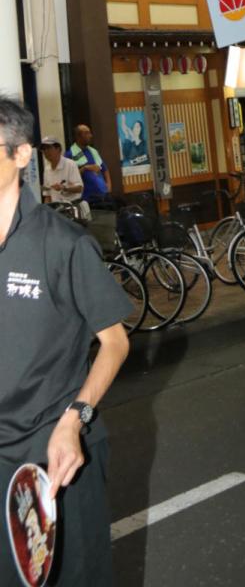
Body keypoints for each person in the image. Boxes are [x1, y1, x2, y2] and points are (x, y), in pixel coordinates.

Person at [0, 97, 130, 586]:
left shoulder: (62, 244)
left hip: (55, 457)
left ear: (21, 155)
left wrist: (76, 419)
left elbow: (114, 343)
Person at [66, 125, 111, 203]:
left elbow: (105, 170)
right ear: (78, 136)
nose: (90, 136)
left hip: (103, 196)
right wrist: (85, 168)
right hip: (86, 199)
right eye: (86, 133)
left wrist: (109, 186)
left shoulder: (93, 151)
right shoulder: (70, 154)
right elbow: (69, 179)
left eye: (90, 133)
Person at [40, 137, 85, 212]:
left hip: (73, 208)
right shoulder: (47, 168)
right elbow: (47, 195)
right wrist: (46, 211)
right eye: (43, 149)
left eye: (48, 148)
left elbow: (79, 188)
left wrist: (64, 188)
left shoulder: (70, 164)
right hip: (57, 210)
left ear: (58, 149)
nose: (46, 151)